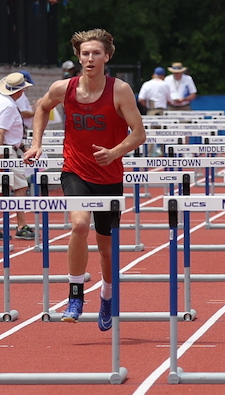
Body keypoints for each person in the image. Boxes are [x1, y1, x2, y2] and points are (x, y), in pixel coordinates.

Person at [23, 28, 146, 330]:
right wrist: (36, 143)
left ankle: (107, 294)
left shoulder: (120, 90)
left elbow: (139, 134)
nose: (90, 58)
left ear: (107, 57)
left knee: (106, 249)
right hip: (75, 171)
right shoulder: (63, 88)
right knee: (79, 225)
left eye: (96, 53)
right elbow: (41, 108)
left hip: (109, 177)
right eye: (85, 53)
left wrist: (114, 152)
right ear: (78, 57)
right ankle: (75, 295)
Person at [0, 72, 36, 240]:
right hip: (6, 152)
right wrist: (1, 157)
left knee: (10, 188)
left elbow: (10, 134)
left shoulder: (5, 102)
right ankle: (21, 225)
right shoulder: (8, 106)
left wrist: (23, 147)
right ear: (20, 91)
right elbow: (1, 132)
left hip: (10, 149)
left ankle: (20, 225)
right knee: (18, 187)